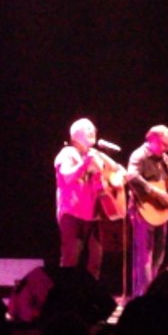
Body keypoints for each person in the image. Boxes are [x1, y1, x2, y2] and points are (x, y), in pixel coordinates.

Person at [54, 118, 121, 280]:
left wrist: (115, 183)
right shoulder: (67, 153)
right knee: (71, 262)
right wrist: (85, 164)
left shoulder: (96, 154)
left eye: (94, 129)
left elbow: (121, 171)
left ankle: (91, 300)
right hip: (73, 216)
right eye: (88, 129)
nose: (93, 132)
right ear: (76, 135)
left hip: (94, 215)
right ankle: (64, 299)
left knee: (95, 263)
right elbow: (67, 177)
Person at [126, 124, 168, 298]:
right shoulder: (139, 155)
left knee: (158, 253)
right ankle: (143, 296)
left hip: (160, 212)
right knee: (145, 255)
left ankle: (151, 293)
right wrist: (154, 191)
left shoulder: (165, 159)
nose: (167, 148)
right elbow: (132, 175)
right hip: (142, 211)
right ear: (151, 140)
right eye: (164, 144)